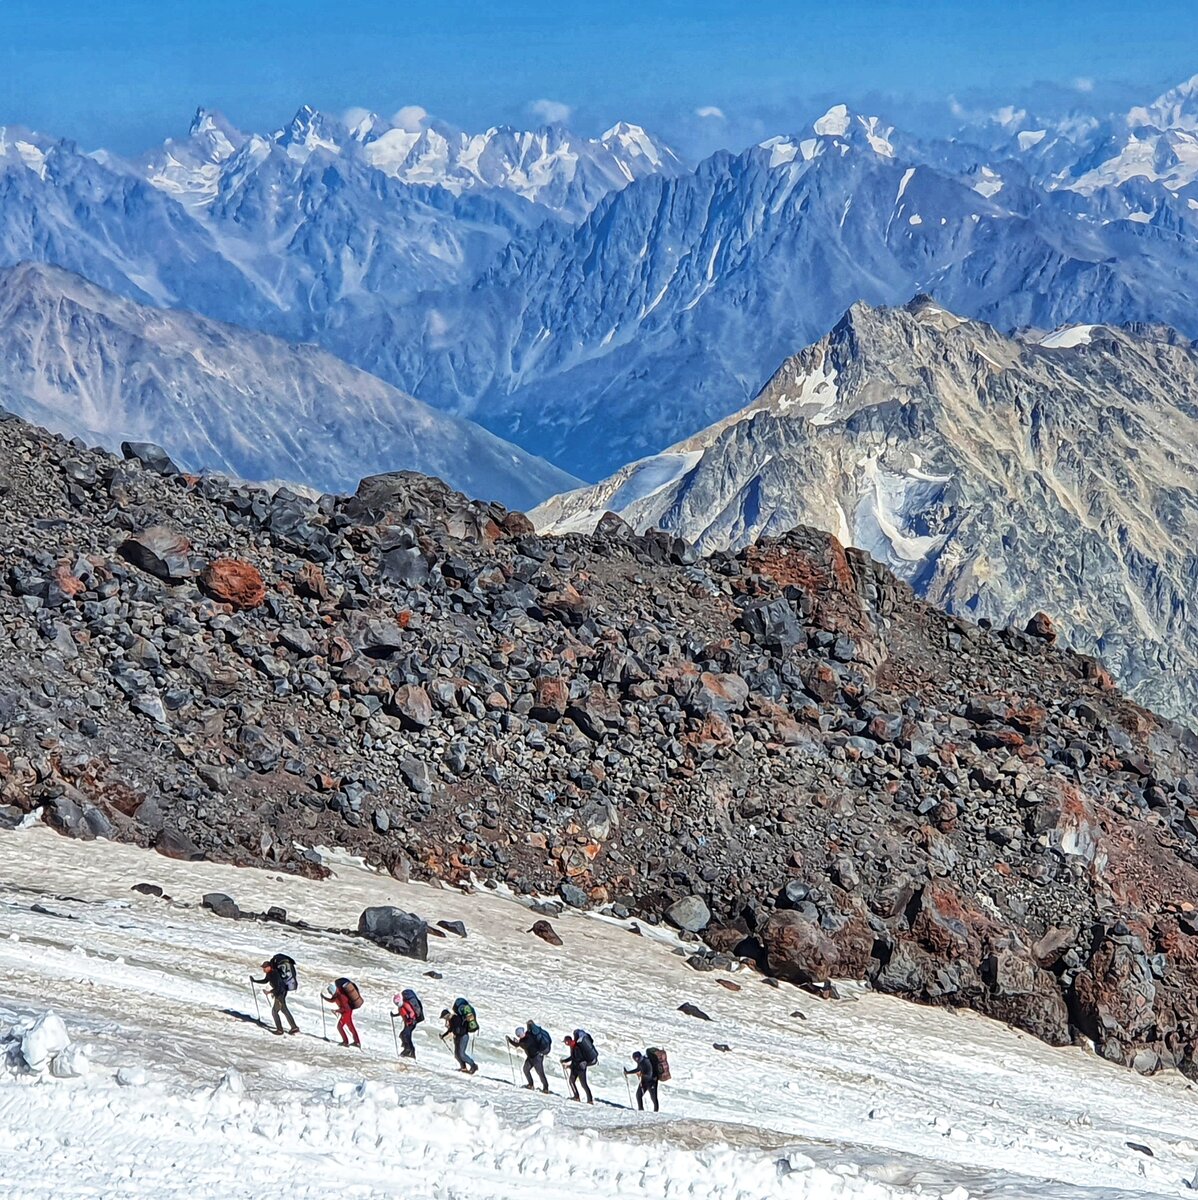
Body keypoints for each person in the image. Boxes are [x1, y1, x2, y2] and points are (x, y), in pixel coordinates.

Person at [249, 956, 299, 1036]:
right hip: (280, 993)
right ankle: (294, 1027)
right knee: (283, 1009)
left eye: (265, 967)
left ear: (269, 967)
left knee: (275, 1011)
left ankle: (280, 1030)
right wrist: (254, 981)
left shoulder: (275, 974)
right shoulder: (269, 974)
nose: (263, 969)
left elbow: (279, 987)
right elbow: (265, 981)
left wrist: (269, 992)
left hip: (280, 994)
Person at [508, 1021, 551, 1093]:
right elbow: (519, 1043)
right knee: (525, 1069)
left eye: (518, 1035)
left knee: (540, 1073)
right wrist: (517, 1042)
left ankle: (546, 1088)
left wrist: (509, 1040)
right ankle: (530, 1085)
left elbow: (517, 1045)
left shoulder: (525, 1041)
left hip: (537, 1057)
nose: (518, 1036)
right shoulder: (528, 1035)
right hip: (531, 1057)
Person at [322, 980, 361, 1049]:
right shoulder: (337, 994)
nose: (331, 994)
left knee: (339, 1026)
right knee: (350, 1026)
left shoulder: (340, 996)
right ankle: (357, 1042)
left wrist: (337, 1010)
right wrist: (324, 997)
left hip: (347, 1012)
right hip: (348, 1011)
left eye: (331, 993)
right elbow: (332, 1000)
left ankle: (345, 1042)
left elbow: (345, 1008)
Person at [561, 1030, 596, 1104]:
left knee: (583, 1084)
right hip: (578, 1067)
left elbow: (577, 1059)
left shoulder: (575, 1047)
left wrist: (568, 1065)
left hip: (580, 1068)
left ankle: (588, 1100)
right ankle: (578, 1097)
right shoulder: (573, 1045)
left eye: (565, 1042)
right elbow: (573, 1057)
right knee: (572, 1081)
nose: (565, 1043)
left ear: (567, 1041)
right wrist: (565, 1061)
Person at [440, 1007, 477, 1074]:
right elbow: (451, 1029)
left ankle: (473, 1065)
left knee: (462, 1054)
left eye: (444, 1017)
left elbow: (457, 1029)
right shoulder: (451, 1019)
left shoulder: (455, 1018)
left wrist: (454, 1033)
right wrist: (443, 1035)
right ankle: (463, 1068)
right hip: (459, 1037)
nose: (445, 1019)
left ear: (447, 1015)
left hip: (463, 1036)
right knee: (457, 1055)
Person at [392, 988, 423, 1058]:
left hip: (411, 1023)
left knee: (405, 1035)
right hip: (408, 1023)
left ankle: (408, 1050)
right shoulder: (401, 1007)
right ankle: (409, 1049)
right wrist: (394, 1015)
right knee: (404, 1035)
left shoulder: (405, 1004)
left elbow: (411, 1012)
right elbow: (402, 1013)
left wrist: (409, 1018)